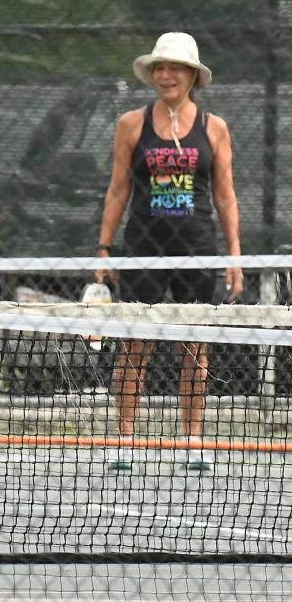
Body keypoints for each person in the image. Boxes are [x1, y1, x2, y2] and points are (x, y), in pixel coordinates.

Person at [95, 32, 242, 472]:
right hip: (142, 249)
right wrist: (104, 248)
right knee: (134, 346)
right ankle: (125, 439)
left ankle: (192, 440)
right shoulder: (131, 124)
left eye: (174, 68)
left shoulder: (214, 127)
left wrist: (234, 256)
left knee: (195, 347)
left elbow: (226, 196)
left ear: (192, 76)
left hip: (197, 249)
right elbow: (118, 190)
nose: (165, 75)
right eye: (159, 67)